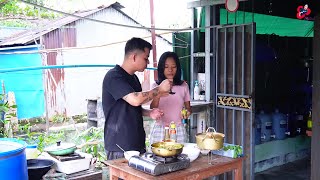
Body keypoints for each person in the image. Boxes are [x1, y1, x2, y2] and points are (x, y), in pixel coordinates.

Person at [102, 37, 171, 160]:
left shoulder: (133, 79)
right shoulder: (114, 76)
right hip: (120, 147)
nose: (148, 62)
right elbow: (135, 99)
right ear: (133, 57)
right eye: (145, 58)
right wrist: (159, 90)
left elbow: (133, 107)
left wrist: (149, 113)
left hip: (137, 143)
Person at [149, 51, 192, 144]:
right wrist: (159, 92)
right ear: (161, 68)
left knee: (179, 155)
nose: (170, 70)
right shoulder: (155, 85)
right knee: (158, 156)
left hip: (178, 129)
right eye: (166, 67)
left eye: (173, 67)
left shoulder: (184, 85)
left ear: (178, 68)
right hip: (160, 128)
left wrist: (187, 113)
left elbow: (188, 108)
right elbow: (152, 108)